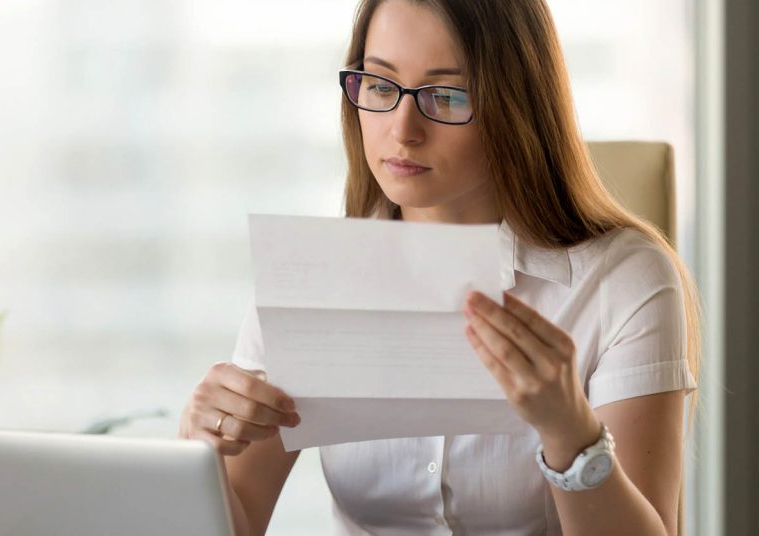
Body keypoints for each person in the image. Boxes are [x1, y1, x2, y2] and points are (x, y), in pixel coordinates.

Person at [179, 0, 701, 534]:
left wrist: (570, 433)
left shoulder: (622, 281)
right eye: (381, 87)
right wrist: (200, 454)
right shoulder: (311, 278)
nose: (403, 131)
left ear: (514, 103)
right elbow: (237, 521)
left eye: (446, 96)